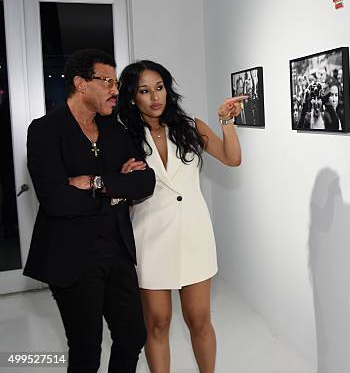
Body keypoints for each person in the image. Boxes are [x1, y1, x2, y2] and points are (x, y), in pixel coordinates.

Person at [24, 49, 156, 372]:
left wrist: (95, 182)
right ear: (81, 84)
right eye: (107, 81)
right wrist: (115, 189)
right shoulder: (44, 131)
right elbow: (56, 200)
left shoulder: (115, 130)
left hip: (116, 252)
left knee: (133, 335)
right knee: (86, 352)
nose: (115, 89)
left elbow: (145, 182)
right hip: (72, 259)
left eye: (115, 81)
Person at [117, 60, 245, 373]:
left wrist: (226, 123)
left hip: (193, 234)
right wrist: (120, 177)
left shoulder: (191, 127)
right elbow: (120, 190)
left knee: (200, 320)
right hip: (150, 236)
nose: (154, 97)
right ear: (132, 97)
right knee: (158, 323)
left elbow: (232, 158)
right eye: (144, 91)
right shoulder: (123, 137)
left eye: (159, 87)